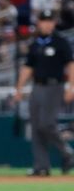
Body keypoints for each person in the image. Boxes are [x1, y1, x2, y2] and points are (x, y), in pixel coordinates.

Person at [13, 10, 74, 176]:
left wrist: (71, 87)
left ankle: (67, 152)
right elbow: (27, 68)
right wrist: (18, 88)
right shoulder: (36, 44)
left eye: (50, 21)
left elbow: (71, 65)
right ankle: (41, 166)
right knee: (36, 127)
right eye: (44, 21)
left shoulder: (60, 42)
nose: (47, 24)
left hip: (55, 86)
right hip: (37, 87)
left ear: (54, 23)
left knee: (47, 123)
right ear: (39, 23)